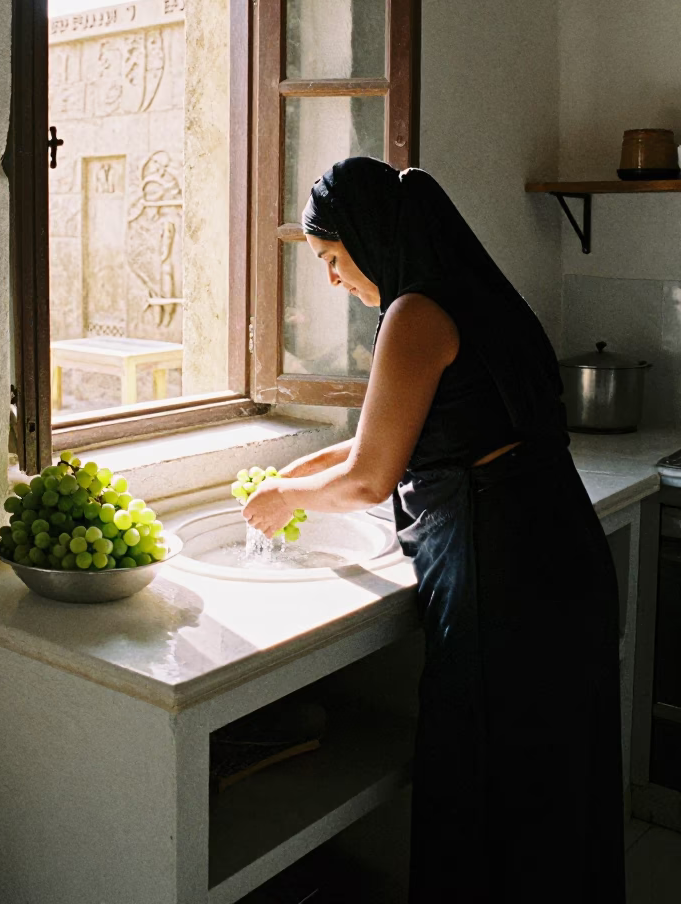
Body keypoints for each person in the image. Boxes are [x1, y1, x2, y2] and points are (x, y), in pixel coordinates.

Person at [242, 158, 624, 904]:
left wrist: (286, 498)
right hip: (557, 555)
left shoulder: (415, 313)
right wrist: (290, 479)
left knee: (489, 774)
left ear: (367, 237)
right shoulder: (481, 295)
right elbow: (385, 440)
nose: (332, 280)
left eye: (330, 258)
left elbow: (368, 478)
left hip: (502, 574)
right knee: (555, 778)